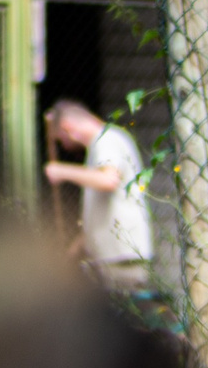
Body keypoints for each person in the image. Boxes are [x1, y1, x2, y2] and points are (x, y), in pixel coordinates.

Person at [42, 98, 153, 291]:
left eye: (61, 139)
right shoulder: (100, 145)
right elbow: (102, 207)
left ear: (68, 126)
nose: (65, 145)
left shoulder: (106, 140)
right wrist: (75, 249)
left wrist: (61, 171)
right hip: (113, 256)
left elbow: (108, 180)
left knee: (130, 314)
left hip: (121, 257)